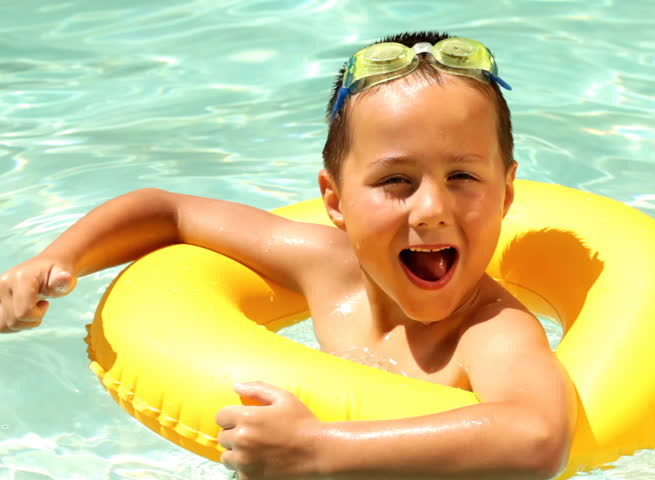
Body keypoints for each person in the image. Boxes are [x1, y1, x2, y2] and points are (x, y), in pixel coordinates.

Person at [0, 31, 576, 479]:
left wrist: (321, 450)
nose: (430, 208)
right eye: (396, 180)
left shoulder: (490, 330)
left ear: (505, 194)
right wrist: (55, 260)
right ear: (335, 200)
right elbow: (168, 213)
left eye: (462, 176)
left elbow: (536, 438)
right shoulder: (330, 270)